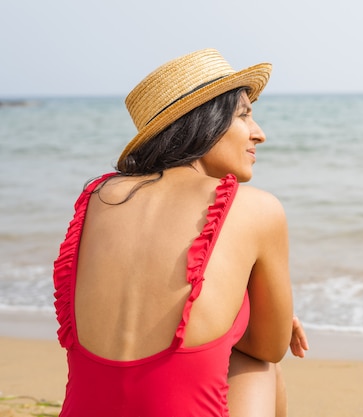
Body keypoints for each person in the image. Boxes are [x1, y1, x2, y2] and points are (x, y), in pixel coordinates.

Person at [53, 48, 308, 417]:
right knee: (262, 366)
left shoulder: (97, 198)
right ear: (206, 122)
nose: (259, 134)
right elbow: (269, 348)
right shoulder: (257, 208)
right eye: (244, 116)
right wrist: (259, 319)